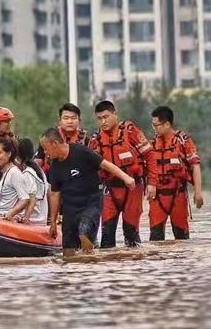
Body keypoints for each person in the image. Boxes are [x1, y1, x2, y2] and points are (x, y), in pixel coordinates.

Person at [40, 128, 135, 257]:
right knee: (68, 249)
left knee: (84, 231)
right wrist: (53, 222)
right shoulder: (55, 167)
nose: (45, 153)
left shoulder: (81, 151)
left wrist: (126, 178)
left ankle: (90, 265)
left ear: (55, 144)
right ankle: (74, 271)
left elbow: (105, 164)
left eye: (46, 148)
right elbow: (55, 194)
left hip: (91, 201)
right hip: (70, 207)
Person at [89, 100, 158, 248]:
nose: (103, 121)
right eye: (99, 118)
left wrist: (152, 183)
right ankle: (109, 269)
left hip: (133, 188)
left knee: (131, 234)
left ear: (115, 114)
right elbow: (90, 169)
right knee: (106, 236)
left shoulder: (130, 131)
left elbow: (150, 156)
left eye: (106, 117)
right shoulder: (96, 140)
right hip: (110, 189)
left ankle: (133, 268)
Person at [149, 106, 203, 240]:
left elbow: (195, 165)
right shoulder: (152, 143)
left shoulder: (183, 140)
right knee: (155, 240)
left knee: (182, 239)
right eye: (153, 125)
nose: (154, 129)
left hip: (177, 196)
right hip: (157, 198)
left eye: (156, 125)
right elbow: (147, 168)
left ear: (167, 124)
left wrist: (198, 192)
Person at [35, 102, 89, 172]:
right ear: (60, 121)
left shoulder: (86, 139)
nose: (70, 121)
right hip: (51, 178)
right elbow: (38, 160)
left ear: (79, 121)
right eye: (66, 118)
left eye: (73, 118)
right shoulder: (49, 137)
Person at [0, 137, 30, 221]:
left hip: (5, 222)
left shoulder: (14, 173)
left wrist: (10, 214)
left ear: (9, 154)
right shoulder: (5, 172)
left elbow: (25, 199)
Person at [18, 138, 48, 225]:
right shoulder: (39, 171)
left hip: (33, 220)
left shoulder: (27, 173)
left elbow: (33, 198)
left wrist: (26, 219)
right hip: (42, 218)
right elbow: (49, 191)